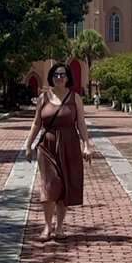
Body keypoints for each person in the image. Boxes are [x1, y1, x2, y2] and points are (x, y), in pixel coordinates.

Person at [25, 62, 92, 241]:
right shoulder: (43, 98)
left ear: (68, 77)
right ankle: (47, 227)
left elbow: (81, 123)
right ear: (51, 77)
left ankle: (59, 227)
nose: (59, 78)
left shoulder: (75, 98)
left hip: (69, 144)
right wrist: (28, 145)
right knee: (50, 184)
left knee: (64, 185)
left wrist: (86, 145)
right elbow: (36, 123)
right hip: (47, 145)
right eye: (56, 75)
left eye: (62, 75)